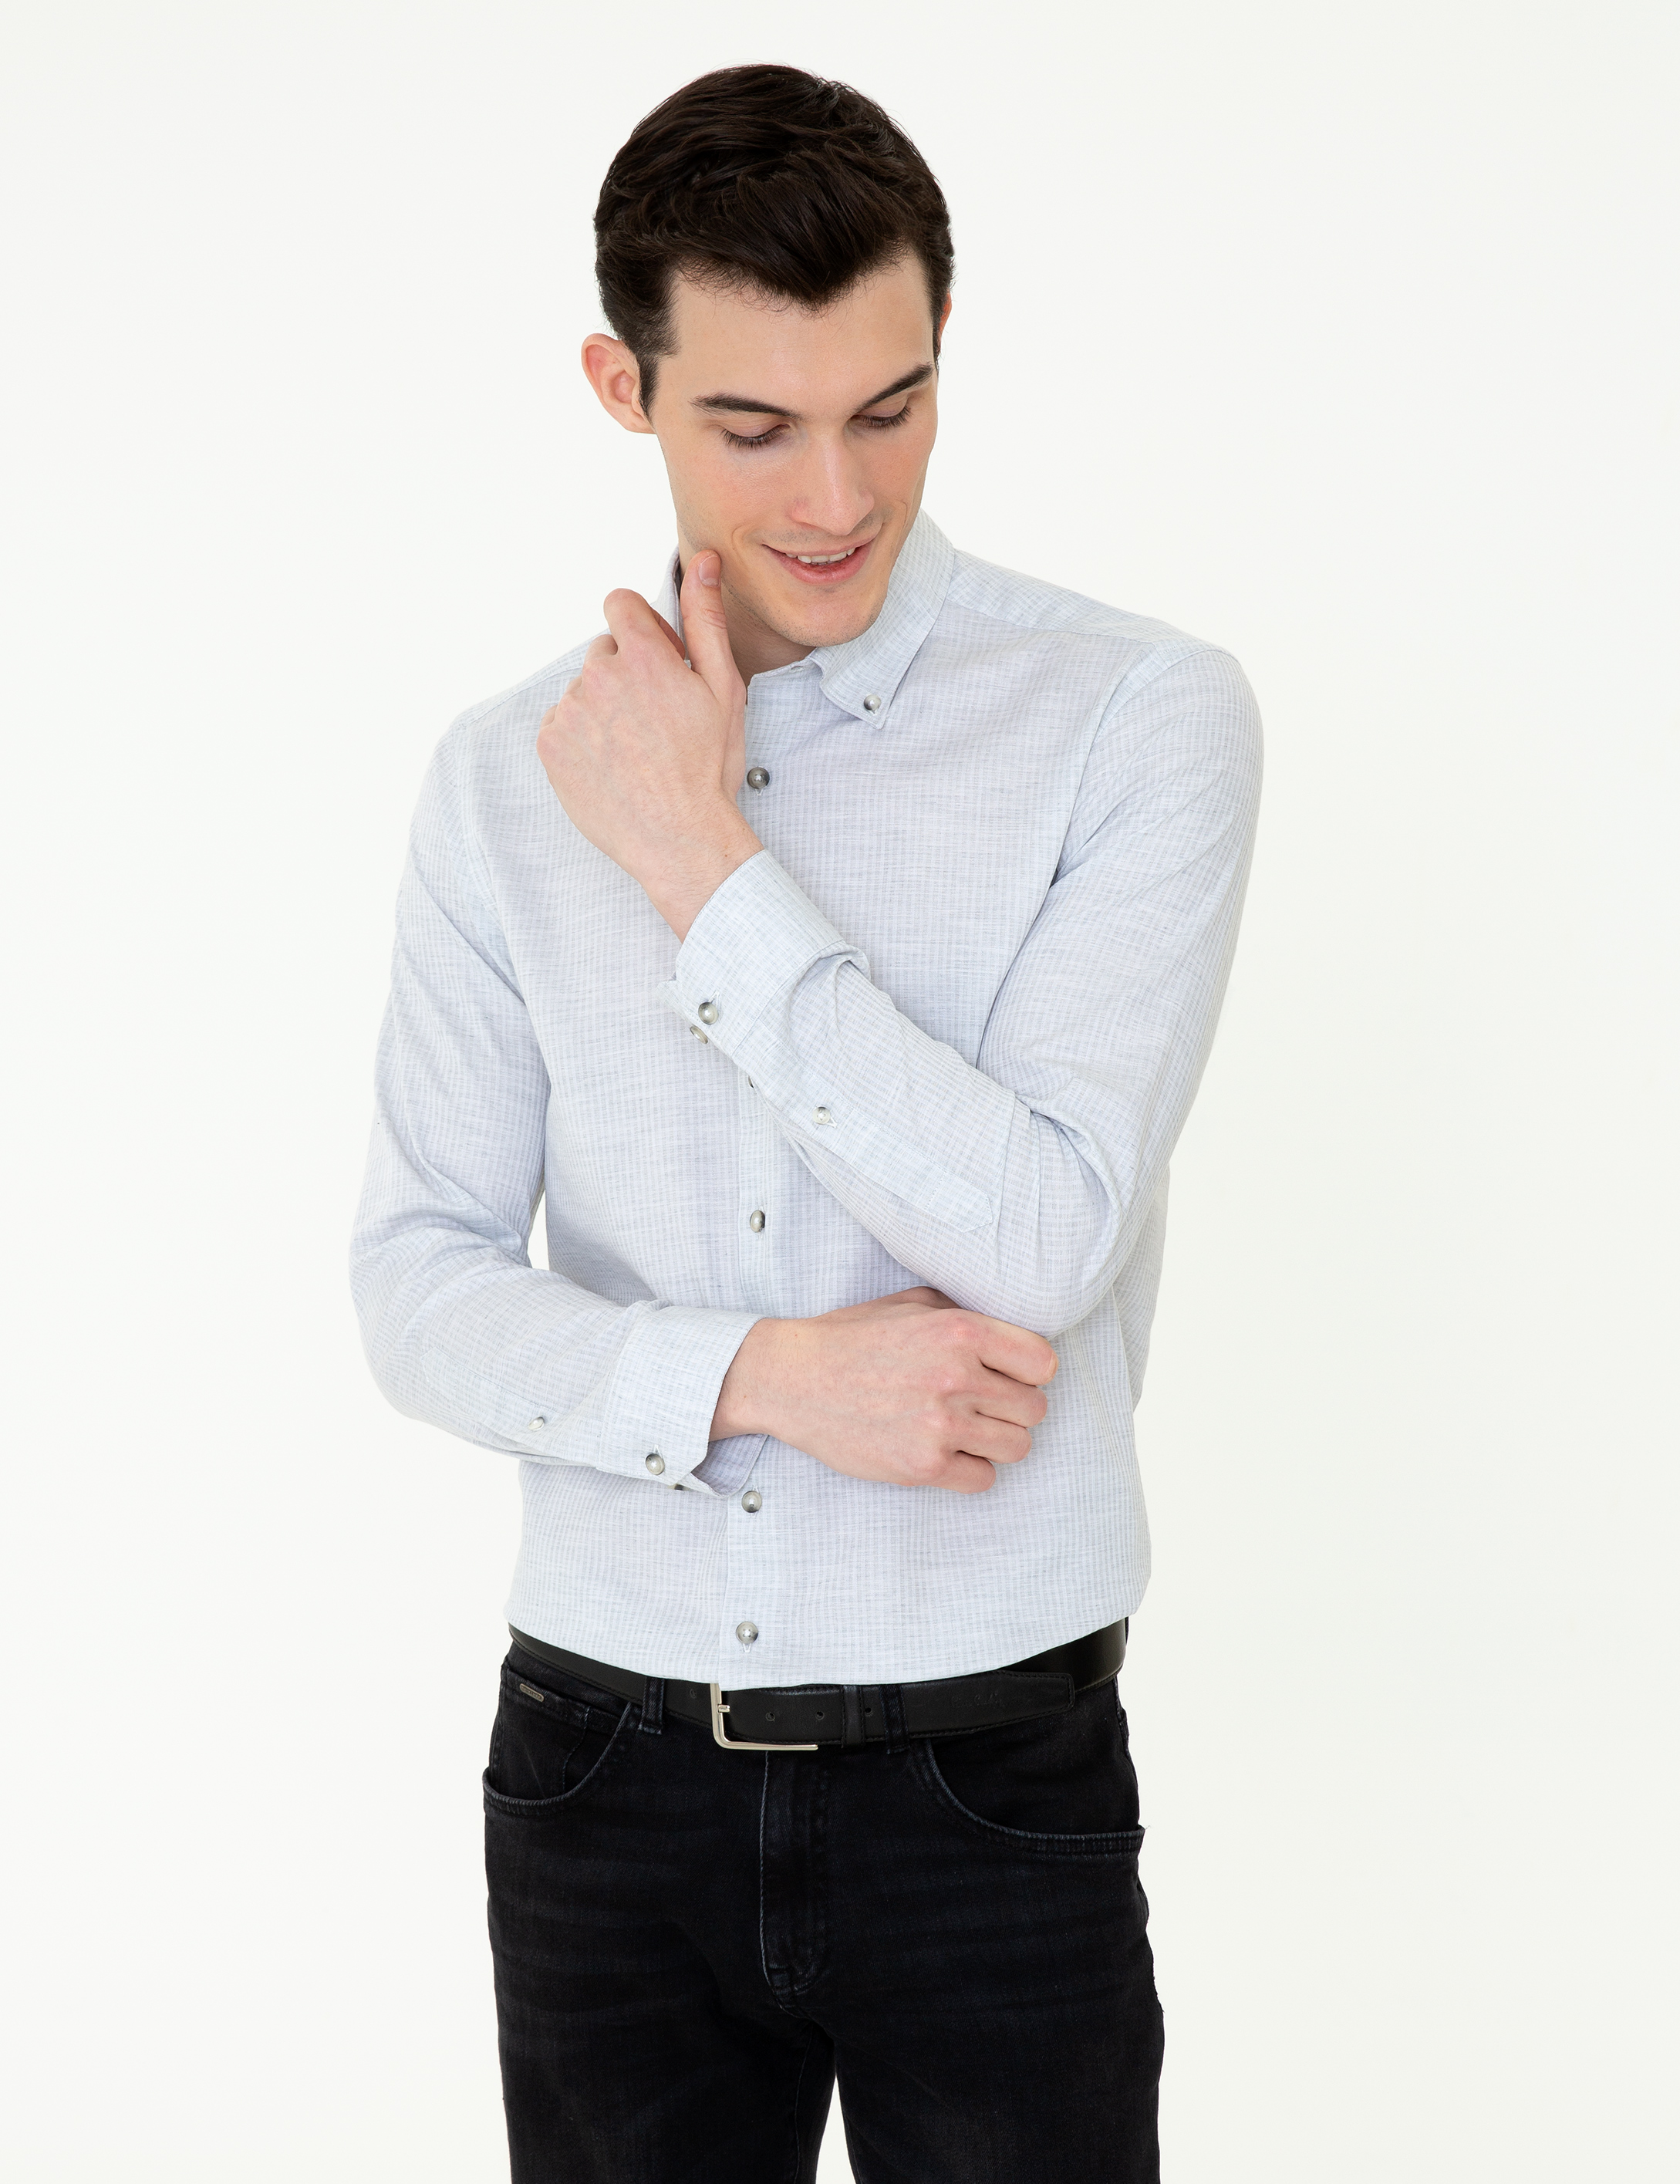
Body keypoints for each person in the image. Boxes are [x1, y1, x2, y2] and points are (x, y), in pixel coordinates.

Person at [351, 61, 1261, 2184]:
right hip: (597, 1780)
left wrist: (698, 860)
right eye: (753, 426)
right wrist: (764, 1378)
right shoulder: (500, 778)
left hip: (986, 1777)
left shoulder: (1136, 718)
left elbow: (1044, 1236)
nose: (837, 496)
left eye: (892, 407)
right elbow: (414, 1288)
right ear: (625, 387)